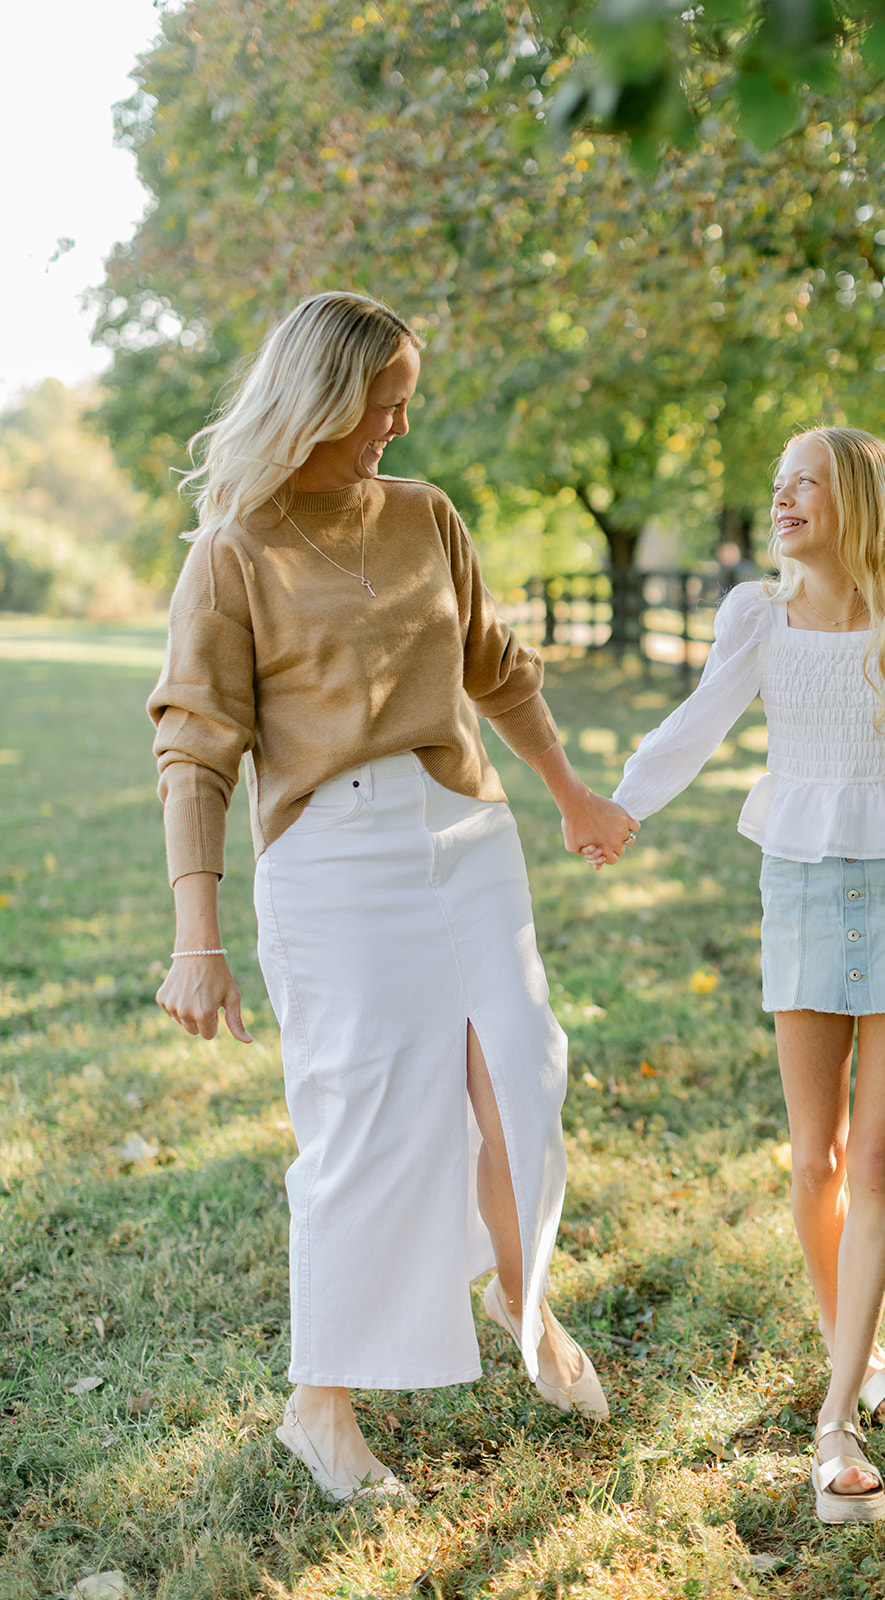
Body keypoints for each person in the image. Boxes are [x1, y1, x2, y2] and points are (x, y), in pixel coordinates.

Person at [149, 291, 638, 1504]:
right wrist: (194, 936)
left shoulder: (425, 516)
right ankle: (320, 1409)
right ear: (319, 399)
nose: (399, 423)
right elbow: (195, 750)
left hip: (466, 832)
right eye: (383, 400)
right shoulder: (236, 552)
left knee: (520, 1072)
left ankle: (520, 1296)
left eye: (404, 396)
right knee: (367, 1128)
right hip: (334, 859)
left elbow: (495, 662)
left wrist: (570, 792)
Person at [607, 426, 885, 1524]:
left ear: (860, 501)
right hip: (796, 884)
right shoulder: (756, 614)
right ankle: (868, 1352)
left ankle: (834, 1415)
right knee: (812, 1154)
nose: (781, 497)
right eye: (775, 479)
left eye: (805, 482)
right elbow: (696, 724)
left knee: (877, 1157)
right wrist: (621, 805)